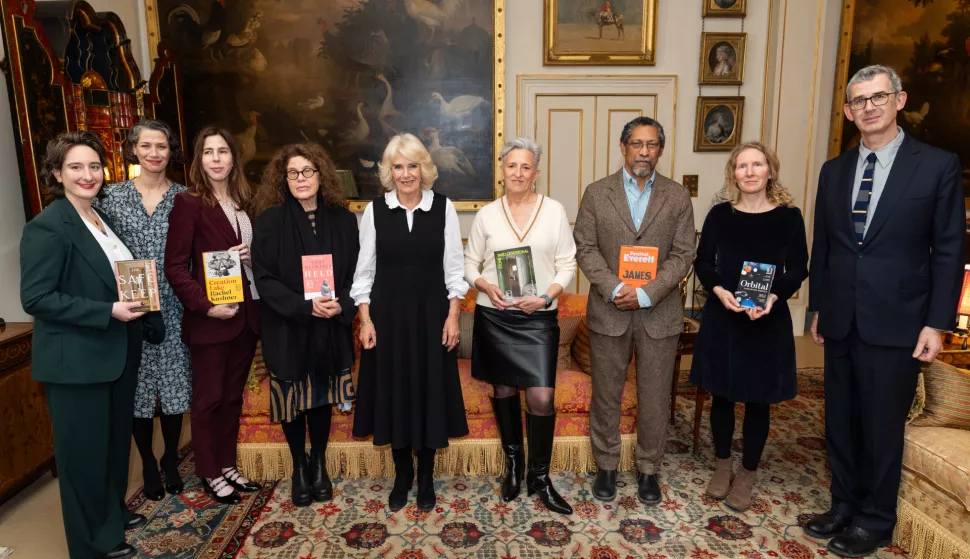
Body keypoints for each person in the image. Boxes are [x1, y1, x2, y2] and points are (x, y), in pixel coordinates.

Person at [806, 64, 964, 557]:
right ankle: (843, 505)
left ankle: (876, 518)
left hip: (899, 321)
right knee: (841, 419)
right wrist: (816, 307)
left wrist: (937, 322)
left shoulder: (936, 166)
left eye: (878, 97)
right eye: (858, 101)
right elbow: (826, 248)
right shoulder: (834, 171)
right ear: (849, 112)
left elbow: (948, 249)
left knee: (880, 423)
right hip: (840, 317)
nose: (868, 107)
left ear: (899, 100)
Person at [20, 131, 165, 559]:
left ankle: (112, 514)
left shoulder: (103, 219)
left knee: (113, 445)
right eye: (76, 167)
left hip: (115, 354)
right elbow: (37, 298)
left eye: (94, 166)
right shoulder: (47, 225)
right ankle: (91, 545)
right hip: (77, 362)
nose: (88, 175)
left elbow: (121, 277)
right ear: (56, 173)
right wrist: (107, 312)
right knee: (83, 458)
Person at [573, 116, 695, 505]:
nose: (644, 152)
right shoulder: (596, 193)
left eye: (652, 144)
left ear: (661, 149)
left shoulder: (677, 197)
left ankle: (648, 470)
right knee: (606, 393)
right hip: (609, 310)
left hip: (658, 313)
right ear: (623, 147)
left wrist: (646, 293)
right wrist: (615, 288)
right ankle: (606, 466)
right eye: (637, 144)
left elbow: (683, 254)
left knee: (656, 394)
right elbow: (585, 247)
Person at [351, 133, 469, 512]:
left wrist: (453, 317)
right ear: (389, 171)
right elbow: (363, 273)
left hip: (432, 317)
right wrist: (365, 321)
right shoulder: (375, 210)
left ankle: (427, 476)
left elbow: (455, 270)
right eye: (398, 167)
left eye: (412, 166)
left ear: (424, 169)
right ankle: (403, 475)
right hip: (387, 320)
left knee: (429, 392)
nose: (405, 174)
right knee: (395, 394)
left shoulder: (444, 208)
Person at [689, 141, 808, 512]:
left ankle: (748, 472)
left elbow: (799, 268)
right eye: (742, 166)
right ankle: (723, 464)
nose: (750, 172)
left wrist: (774, 297)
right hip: (724, 315)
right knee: (721, 393)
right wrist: (720, 290)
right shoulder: (719, 215)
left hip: (766, 320)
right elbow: (704, 262)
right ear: (733, 174)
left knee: (759, 399)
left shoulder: (789, 217)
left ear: (770, 170)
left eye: (758, 164)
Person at [464, 137, 577, 515]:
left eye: (525, 166)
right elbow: (469, 264)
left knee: (541, 396)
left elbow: (567, 265)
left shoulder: (554, 211)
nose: (518, 172)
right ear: (502, 171)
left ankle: (540, 478)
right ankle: (514, 467)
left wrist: (546, 297)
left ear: (536, 172)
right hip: (496, 314)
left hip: (539, 315)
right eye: (511, 166)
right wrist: (485, 285)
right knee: (504, 389)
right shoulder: (487, 215)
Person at [251, 143, 359, 506]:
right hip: (289, 324)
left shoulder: (344, 219)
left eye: (308, 171)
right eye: (293, 173)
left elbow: (359, 272)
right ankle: (299, 464)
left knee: (322, 396)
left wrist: (340, 304)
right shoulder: (268, 220)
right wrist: (303, 306)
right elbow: (264, 279)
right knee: (292, 399)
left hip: (330, 323)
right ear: (283, 179)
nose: (301, 179)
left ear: (321, 175)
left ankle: (319, 463)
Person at [164, 127, 262, 505]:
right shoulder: (189, 203)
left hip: (246, 315)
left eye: (223, 151)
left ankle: (226, 464)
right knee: (208, 399)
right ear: (198, 160)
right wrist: (206, 305)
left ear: (234, 158)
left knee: (232, 398)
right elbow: (175, 266)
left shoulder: (245, 201)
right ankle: (208, 471)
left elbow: (255, 254)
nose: (217, 159)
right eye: (209, 152)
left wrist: (253, 258)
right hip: (210, 319)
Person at [97, 119, 190, 501]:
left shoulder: (186, 197)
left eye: (162, 146)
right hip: (130, 307)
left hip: (174, 304)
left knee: (173, 388)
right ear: (134, 149)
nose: (154, 153)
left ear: (171, 151)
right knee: (136, 392)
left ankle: (169, 458)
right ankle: (147, 463)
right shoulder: (110, 197)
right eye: (146, 145)